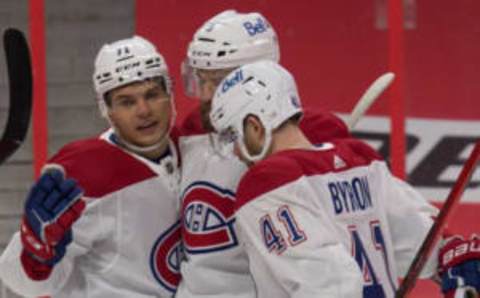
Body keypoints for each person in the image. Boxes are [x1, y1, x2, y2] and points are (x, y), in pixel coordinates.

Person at [209, 60, 480, 298]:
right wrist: (459, 265)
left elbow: (331, 285)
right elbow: (435, 249)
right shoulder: (360, 161)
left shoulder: (265, 185)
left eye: (233, 136)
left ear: (256, 126)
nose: (234, 150)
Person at [176, 9, 350, 297]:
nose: (206, 95)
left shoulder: (316, 133)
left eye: (218, 82)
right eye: (200, 79)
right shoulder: (192, 129)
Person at [0, 36, 182, 297]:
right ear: (106, 110)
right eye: (126, 102)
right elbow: (23, 283)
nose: (144, 110)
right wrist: (36, 252)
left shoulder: (191, 149)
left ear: (169, 94)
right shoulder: (81, 174)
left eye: (152, 94)